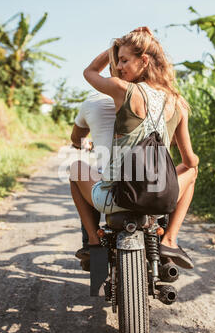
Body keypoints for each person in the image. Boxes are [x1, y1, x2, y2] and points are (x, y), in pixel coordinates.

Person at [69, 27, 199, 270]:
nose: (119, 66)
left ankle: (95, 243)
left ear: (144, 60)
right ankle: (170, 239)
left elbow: (89, 72)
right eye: (118, 61)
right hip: (162, 200)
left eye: (124, 60)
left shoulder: (123, 89)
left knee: (75, 168)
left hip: (116, 199)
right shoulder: (178, 102)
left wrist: (114, 46)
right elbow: (190, 161)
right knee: (192, 172)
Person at [70, 91, 116, 264]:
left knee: (77, 171)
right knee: (167, 173)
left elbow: (76, 138)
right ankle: (168, 245)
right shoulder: (153, 96)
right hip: (148, 186)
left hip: (108, 190)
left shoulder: (93, 100)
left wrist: (85, 144)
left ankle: (93, 241)